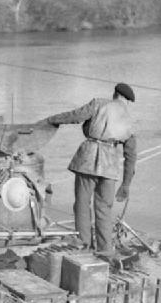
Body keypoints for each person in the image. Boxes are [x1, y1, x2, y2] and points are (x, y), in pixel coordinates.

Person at [45, 82, 137, 253]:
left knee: (82, 204)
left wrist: (51, 120)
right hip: (110, 165)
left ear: (115, 94)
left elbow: (75, 116)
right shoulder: (129, 120)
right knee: (104, 209)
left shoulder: (99, 104)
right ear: (127, 101)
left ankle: (84, 245)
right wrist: (126, 185)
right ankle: (105, 250)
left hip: (88, 159)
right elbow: (131, 156)